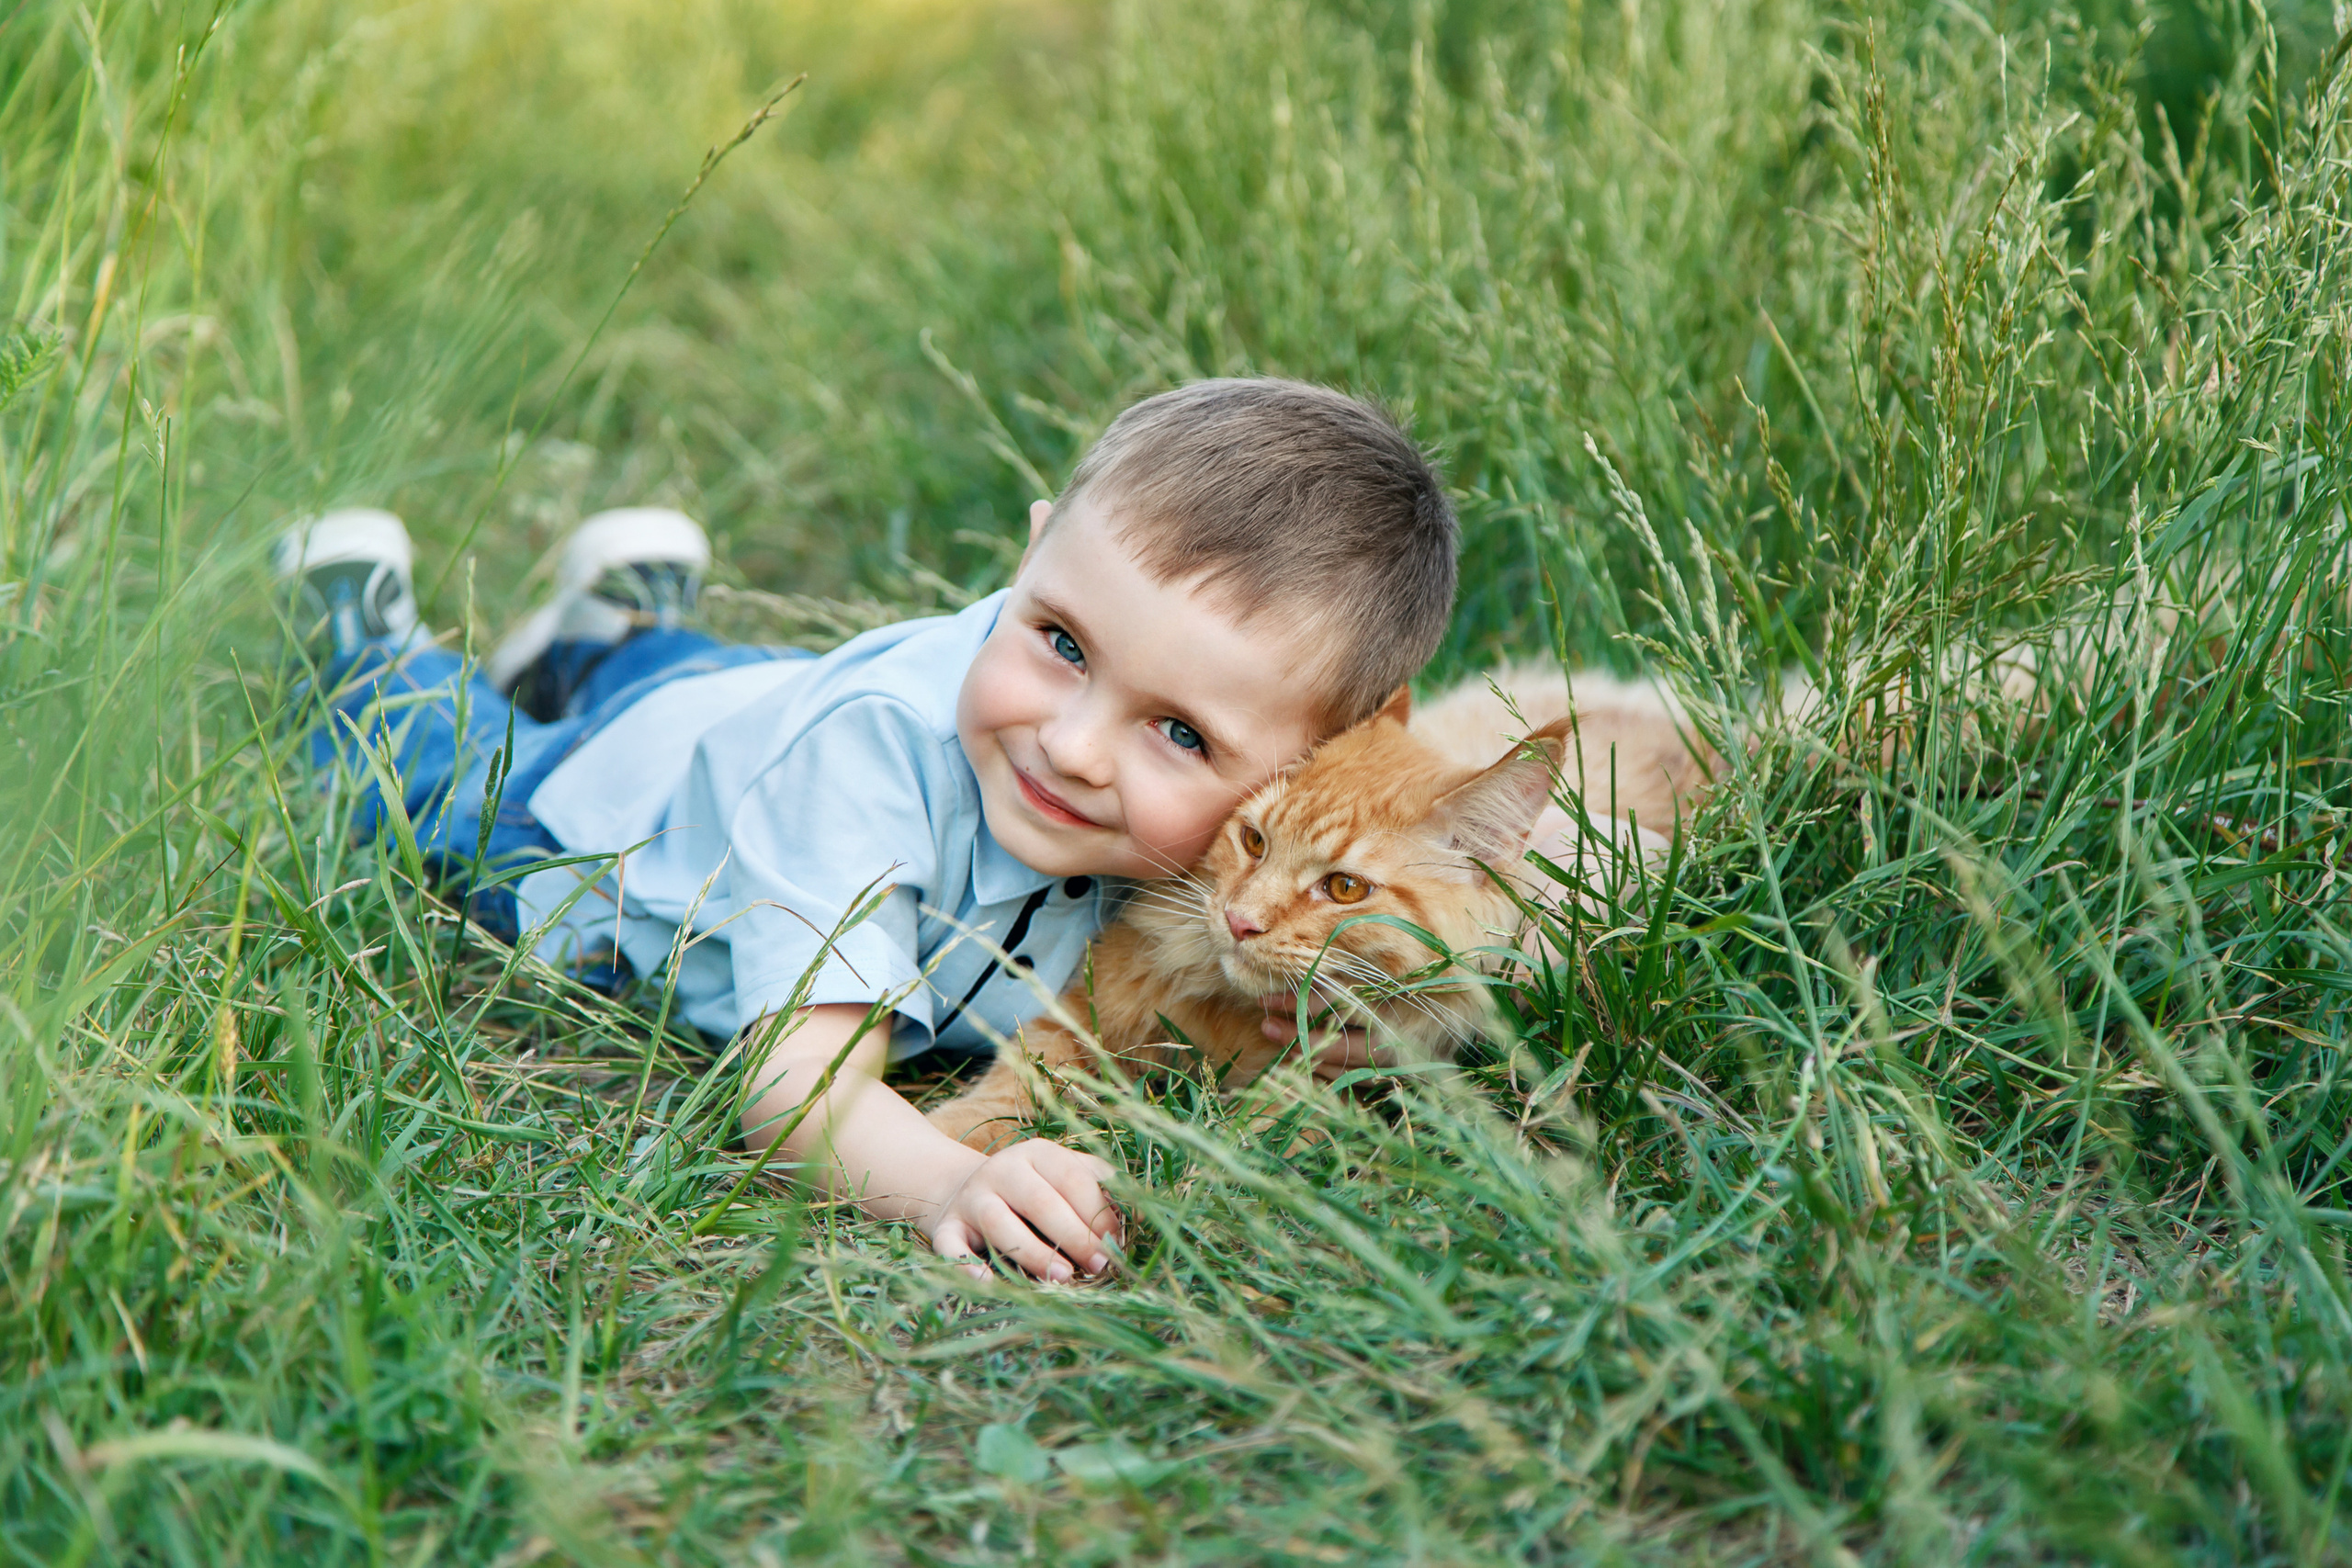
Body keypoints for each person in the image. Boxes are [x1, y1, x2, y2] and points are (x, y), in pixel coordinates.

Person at [278, 378, 1459, 1280]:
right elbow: (796, 1094)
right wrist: (953, 1182)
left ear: (1304, 763)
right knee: (437, 772)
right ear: (1029, 551)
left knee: (726, 683)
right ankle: (363, 644)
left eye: (1181, 735)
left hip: (754, 701)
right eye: (1058, 642)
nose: (1075, 748)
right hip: (597, 827)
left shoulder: (1239, 851)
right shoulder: (867, 758)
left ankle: (622, 625)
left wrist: (1376, 1014)